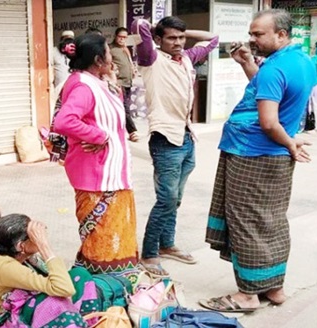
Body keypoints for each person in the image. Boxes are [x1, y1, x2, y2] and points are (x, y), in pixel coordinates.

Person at [201, 9, 317, 313]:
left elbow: (268, 121)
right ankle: (274, 288)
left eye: (258, 34)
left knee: (246, 222)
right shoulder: (300, 61)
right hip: (271, 156)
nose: (252, 39)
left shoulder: (274, 68)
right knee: (271, 221)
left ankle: (247, 294)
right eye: (251, 33)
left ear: (281, 34)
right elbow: (266, 93)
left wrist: (290, 141)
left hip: (251, 154)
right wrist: (247, 64)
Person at [132, 17, 218, 275]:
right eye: (172, 38)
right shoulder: (151, 58)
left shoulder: (188, 57)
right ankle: (148, 254)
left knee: (175, 200)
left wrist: (182, 31)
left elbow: (213, 38)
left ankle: (167, 245)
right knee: (166, 200)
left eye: (181, 38)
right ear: (158, 40)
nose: (179, 42)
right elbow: (138, 26)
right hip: (165, 139)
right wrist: (156, 28)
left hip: (186, 137)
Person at [52, 33, 139, 276]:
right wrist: (97, 136)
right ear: (99, 59)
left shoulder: (94, 80)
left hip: (111, 174)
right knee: (104, 239)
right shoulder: (83, 85)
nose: (113, 57)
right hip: (98, 178)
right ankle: (102, 286)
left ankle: (111, 282)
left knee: (112, 236)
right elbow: (64, 121)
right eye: (109, 54)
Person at [110, 27, 139, 142]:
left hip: (128, 82)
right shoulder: (110, 49)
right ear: (115, 36)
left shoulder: (126, 49)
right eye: (120, 37)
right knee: (124, 108)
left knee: (122, 108)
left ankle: (118, 131)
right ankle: (132, 131)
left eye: (124, 37)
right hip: (118, 83)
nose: (122, 39)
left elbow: (129, 64)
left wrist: (133, 69)